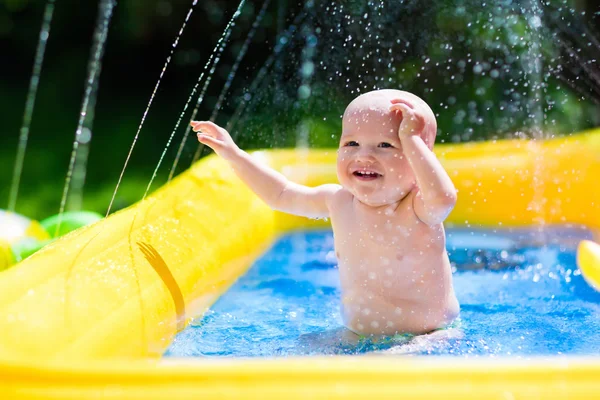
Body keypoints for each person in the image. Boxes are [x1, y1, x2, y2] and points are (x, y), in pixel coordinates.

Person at [191, 89, 459, 336]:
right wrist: (235, 155)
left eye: (386, 145)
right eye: (351, 143)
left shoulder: (418, 207)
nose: (363, 156)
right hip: (357, 334)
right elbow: (281, 195)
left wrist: (410, 138)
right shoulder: (338, 201)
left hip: (428, 337)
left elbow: (445, 198)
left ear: (419, 157)